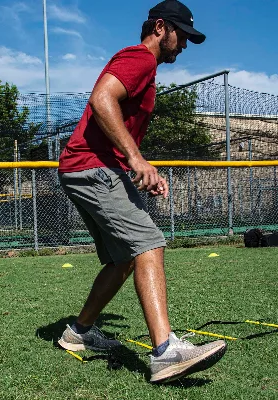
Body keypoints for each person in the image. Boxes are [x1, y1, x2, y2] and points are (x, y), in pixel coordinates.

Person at [57, 0, 226, 384]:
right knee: (148, 243)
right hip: (91, 167)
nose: (184, 45)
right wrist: (136, 160)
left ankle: (78, 333)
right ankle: (166, 352)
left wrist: (138, 165)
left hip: (91, 167)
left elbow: (112, 120)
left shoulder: (143, 66)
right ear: (161, 27)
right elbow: (101, 99)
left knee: (123, 259)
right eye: (182, 36)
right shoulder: (140, 58)